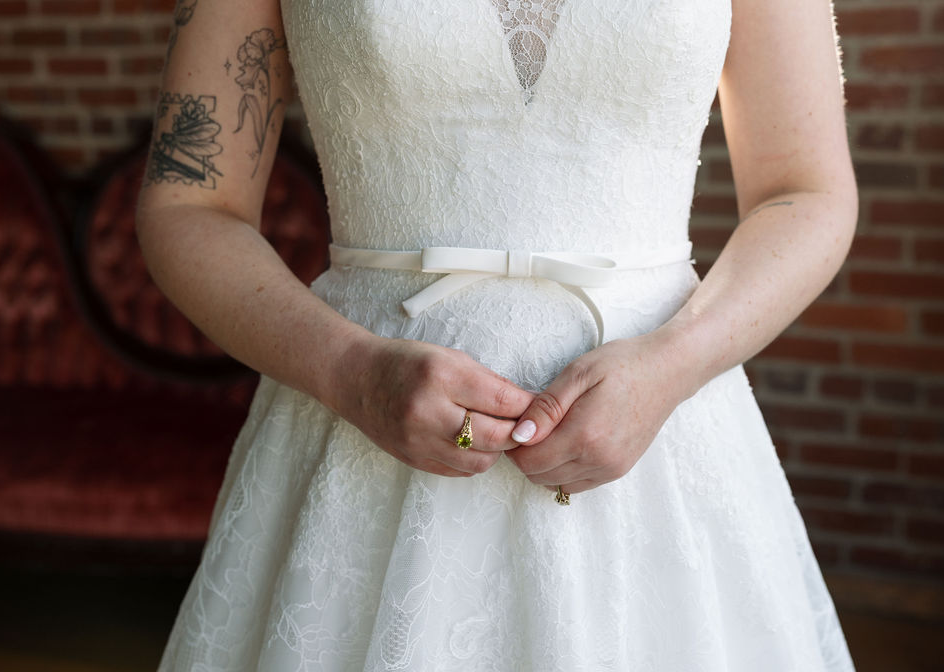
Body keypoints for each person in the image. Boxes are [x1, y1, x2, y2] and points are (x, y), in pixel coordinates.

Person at [137, 0, 858, 669]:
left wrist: (675, 363)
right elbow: (189, 204)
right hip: (360, 429)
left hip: (662, 441)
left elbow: (807, 190)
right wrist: (349, 371)